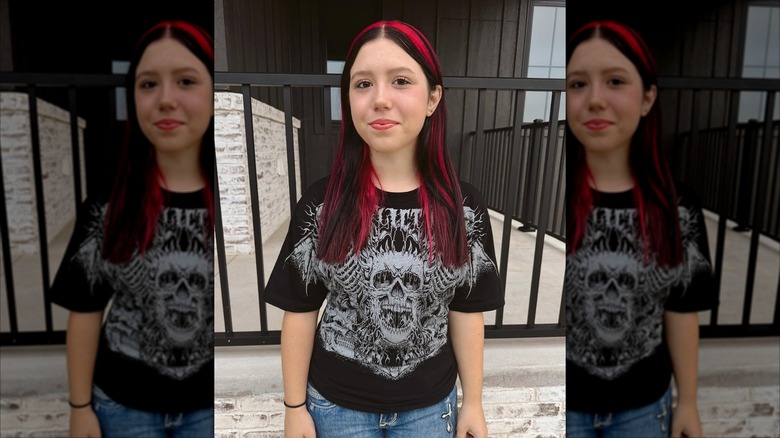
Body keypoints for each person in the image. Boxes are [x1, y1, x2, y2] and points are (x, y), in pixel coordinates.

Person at [263, 20, 504, 438]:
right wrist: (294, 407)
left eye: (400, 81)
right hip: (335, 408)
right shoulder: (323, 205)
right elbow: (300, 312)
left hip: (431, 410)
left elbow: (466, 311)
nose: (379, 99)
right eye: (362, 84)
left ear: (432, 99)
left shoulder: (463, 208)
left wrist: (474, 403)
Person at [48, 20, 215, 438]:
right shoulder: (109, 203)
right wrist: (79, 407)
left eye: (186, 81)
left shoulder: (232, 202)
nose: (165, 100)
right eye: (147, 84)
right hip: (122, 408)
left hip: (210, 411)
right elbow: (85, 312)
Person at [564, 20, 717, 438]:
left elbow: (682, 312)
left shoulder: (677, 207)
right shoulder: (555, 200)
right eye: (577, 84)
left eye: (615, 81)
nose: (595, 99)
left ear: (647, 97)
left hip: (643, 410)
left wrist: (687, 401)